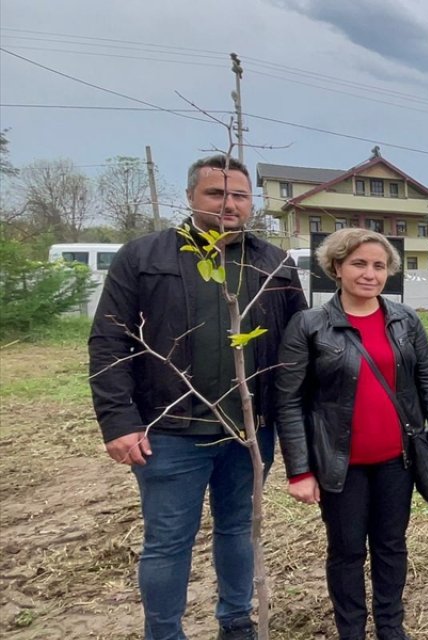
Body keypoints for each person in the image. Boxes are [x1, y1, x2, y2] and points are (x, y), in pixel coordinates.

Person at [88, 154, 307, 640]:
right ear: (190, 197)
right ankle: (164, 633)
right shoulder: (145, 258)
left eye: (239, 195)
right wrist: (118, 420)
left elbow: (297, 347)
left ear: (252, 203)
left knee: (238, 530)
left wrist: (293, 422)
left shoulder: (273, 264)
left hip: (249, 433)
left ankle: (235, 621)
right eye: (216, 193)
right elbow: (109, 340)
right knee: (167, 542)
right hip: (170, 433)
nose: (228, 204)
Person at [275, 228, 428, 640]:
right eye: (359, 263)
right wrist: (299, 470)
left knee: (391, 546)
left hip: (398, 460)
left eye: (379, 265)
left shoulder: (404, 319)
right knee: (347, 551)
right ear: (336, 267)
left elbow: (427, 379)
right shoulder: (310, 324)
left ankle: (392, 628)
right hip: (341, 466)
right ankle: (352, 631)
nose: (370, 274)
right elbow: (288, 401)